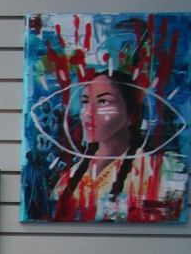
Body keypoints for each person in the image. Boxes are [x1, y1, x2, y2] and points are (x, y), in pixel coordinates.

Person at [51, 71, 183, 222]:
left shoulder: (159, 171)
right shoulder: (68, 180)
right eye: (85, 102)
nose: (88, 113)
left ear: (131, 115)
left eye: (103, 102)